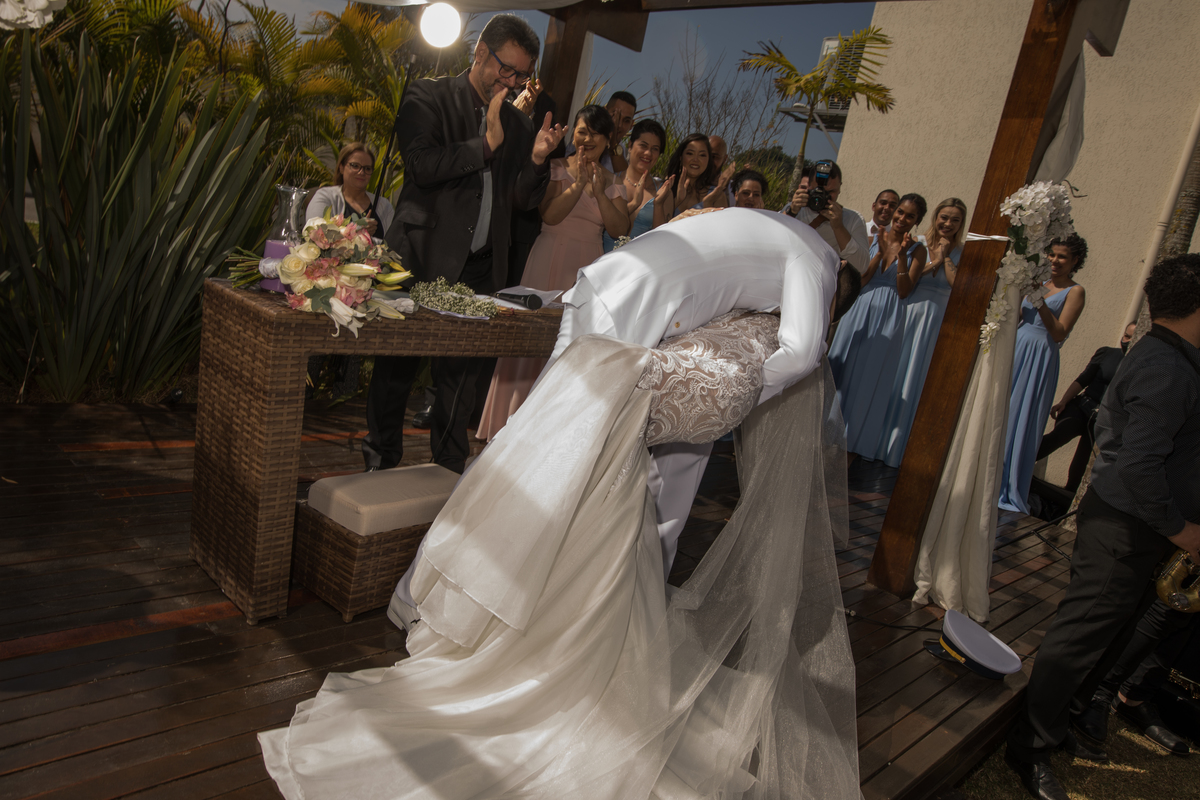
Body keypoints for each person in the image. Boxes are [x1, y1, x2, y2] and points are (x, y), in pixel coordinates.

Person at [260, 208, 862, 800]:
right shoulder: (818, 260)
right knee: (553, 467)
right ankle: (497, 617)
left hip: (609, 282)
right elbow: (802, 349)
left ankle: (439, 599)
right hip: (639, 309)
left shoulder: (763, 221)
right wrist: (742, 389)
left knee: (538, 454)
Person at [1005, 252, 1200, 800]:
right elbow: (1139, 466)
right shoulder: (1167, 368)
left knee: (1106, 638)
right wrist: (1182, 530)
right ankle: (1029, 746)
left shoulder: (1169, 356)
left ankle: (1059, 723)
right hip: (1127, 527)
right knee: (1080, 638)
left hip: (1139, 527)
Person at [362, 15, 566, 474]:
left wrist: (537, 161)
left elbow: (521, 200)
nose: (511, 83)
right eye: (506, 69)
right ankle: (379, 464)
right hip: (418, 259)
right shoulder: (427, 96)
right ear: (480, 53)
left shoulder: (519, 124)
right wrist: (484, 145)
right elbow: (421, 165)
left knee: (459, 381)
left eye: (522, 75)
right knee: (395, 373)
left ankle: (449, 472)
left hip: (479, 268)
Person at [475, 105, 629, 440]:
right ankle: (508, 423)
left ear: (608, 141)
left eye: (596, 134)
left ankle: (548, 433)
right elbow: (550, 215)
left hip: (586, 266)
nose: (587, 139)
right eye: (582, 131)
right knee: (530, 337)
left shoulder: (614, 183)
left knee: (569, 343)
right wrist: (579, 185)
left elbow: (619, 229)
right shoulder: (557, 168)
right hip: (547, 258)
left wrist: (599, 192)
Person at [828, 193, 927, 459]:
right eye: (900, 212)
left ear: (917, 221)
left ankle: (852, 447)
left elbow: (904, 290)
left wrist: (902, 257)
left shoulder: (918, 250)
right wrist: (879, 254)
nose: (902, 218)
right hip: (859, 309)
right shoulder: (872, 240)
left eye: (910, 216)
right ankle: (826, 439)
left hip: (889, 315)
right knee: (843, 373)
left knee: (869, 379)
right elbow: (861, 280)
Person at [998, 234, 1088, 513]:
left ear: (1074, 261)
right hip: (1016, 347)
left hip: (1039, 355)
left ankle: (1006, 483)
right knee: (1000, 409)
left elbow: (1060, 332)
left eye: (1062, 257)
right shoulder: (1039, 281)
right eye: (1052, 254)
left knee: (1020, 415)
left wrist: (1039, 301)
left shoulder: (1075, 291)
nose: (1055, 260)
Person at [875, 197, 967, 467]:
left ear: (961, 224)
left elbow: (958, 284)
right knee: (894, 374)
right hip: (909, 314)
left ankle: (896, 447)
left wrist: (945, 256)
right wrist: (933, 261)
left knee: (916, 377)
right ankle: (874, 437)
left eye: (955, 220)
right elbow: (908, 279)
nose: (947, 223)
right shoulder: (917, 243)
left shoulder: (963, 252)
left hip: (935, 324)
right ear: (935, 217)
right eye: (944, 217)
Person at [1035, 322, 1136, 492]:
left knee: (1084, 458)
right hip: (1082, 407)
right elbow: (1083, 379)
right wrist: (1063, 401)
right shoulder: (1107, 353)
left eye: (1133, 338)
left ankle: (1069, 494)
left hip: (1105, 420)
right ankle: (1018, 466)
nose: (1127, 341)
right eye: (1126, 336)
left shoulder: (1139, 368)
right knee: (1058, 436)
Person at [602, 118, 674, 252]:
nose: (648, 153)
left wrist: (658, 204)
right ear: (630, 146)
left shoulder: (664, 192)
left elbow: (662, 243)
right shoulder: (608, 181)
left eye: (655, 149)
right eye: (643, 146)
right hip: (602, 259)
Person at [306, 143, 395, 237]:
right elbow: (314, 234)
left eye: (367, 168)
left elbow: (395, 240)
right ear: (341, 167)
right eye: (355, 166)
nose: (361, 172)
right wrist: (357, 232)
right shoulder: (325, 197)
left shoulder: (384, 206)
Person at [665, 133, 734, 214]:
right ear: (681, 156)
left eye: (702, 155)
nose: (695, 159)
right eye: (690, 153)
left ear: (708, 160)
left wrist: (708, 204)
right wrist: (676, 202)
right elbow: (660, 222)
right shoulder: (666, 189)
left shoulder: (717, 196)